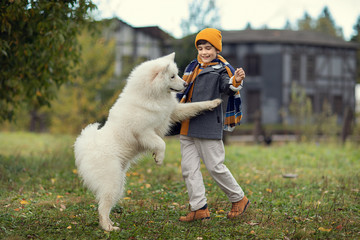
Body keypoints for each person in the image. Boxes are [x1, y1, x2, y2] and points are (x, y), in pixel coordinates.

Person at [178, 28, 250, 222]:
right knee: (189, 169)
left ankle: (239, 199)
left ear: (216, 49)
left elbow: (228, 86)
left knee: (215, 166)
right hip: (187, 125)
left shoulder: (220, 70)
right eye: (201, 48)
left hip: (207, 125)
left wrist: (236, 80)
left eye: (208, 48)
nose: (204, 52)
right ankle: (199, 207)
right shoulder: (191, 68)